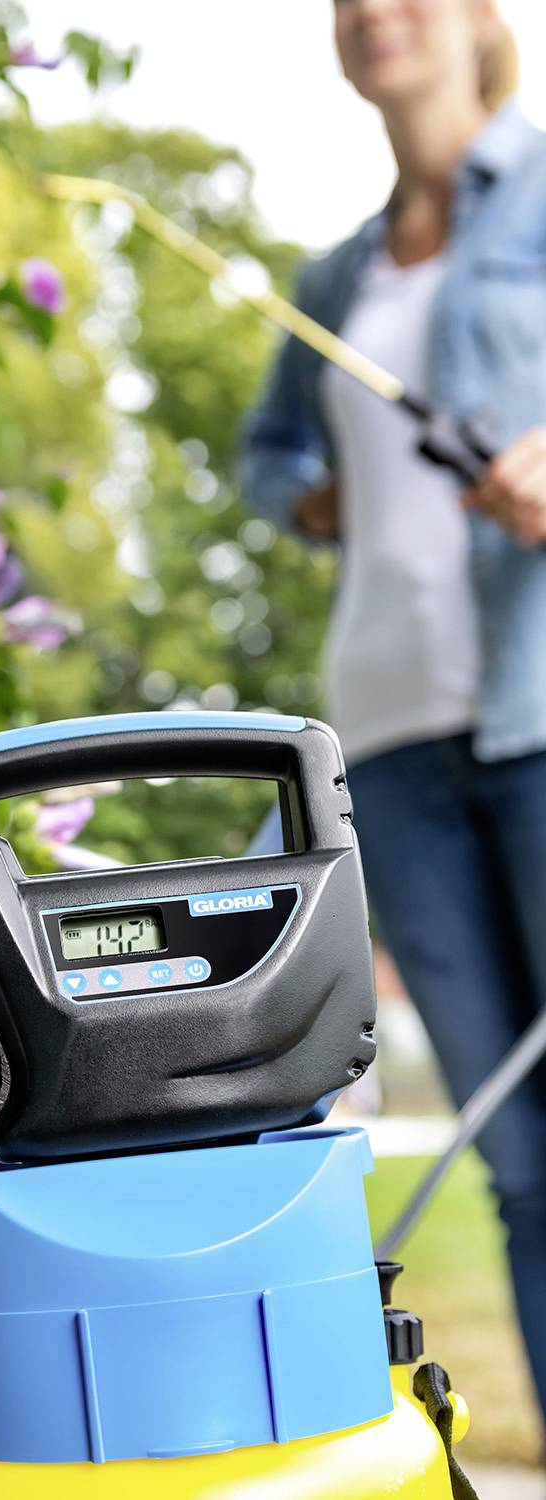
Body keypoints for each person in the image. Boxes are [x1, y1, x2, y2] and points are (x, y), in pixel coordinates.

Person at [241, 0, 546, 1436]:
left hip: (539, 711)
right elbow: (273, 461)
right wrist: (318, 496)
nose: (375, 12)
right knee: (517, 1156)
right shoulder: (335, 274)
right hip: (393, 738)